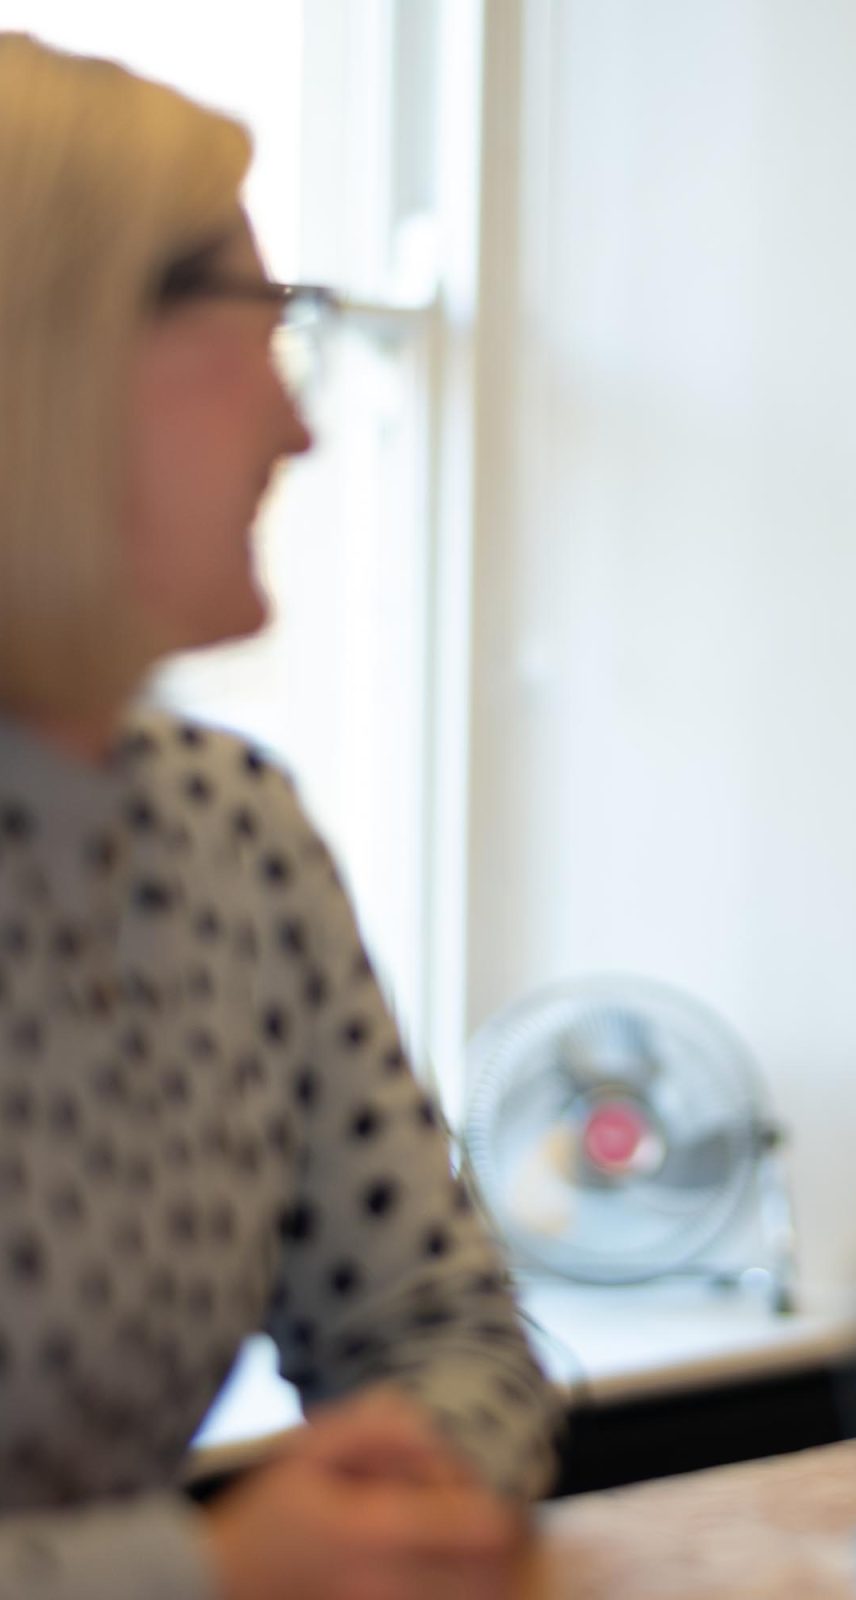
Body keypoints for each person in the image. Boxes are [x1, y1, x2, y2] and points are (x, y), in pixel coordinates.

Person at [0, 34, 560, 1599]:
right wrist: (198, 1571)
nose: (301, 426)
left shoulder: (235, 834)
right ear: (58, 344)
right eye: (268, 324)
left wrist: (416, 1479)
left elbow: (447, 1331)